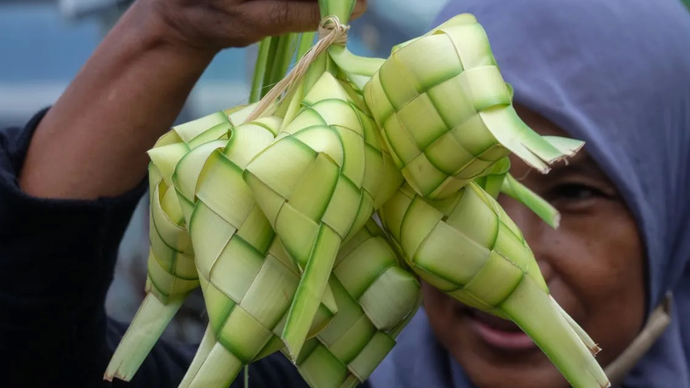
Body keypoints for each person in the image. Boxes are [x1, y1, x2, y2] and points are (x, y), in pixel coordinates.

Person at [0, 0, 688, 387]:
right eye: (458, 184)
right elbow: (37, 354)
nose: (514, 246)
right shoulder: (322, 371)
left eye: (574, 193)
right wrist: (169, 28)